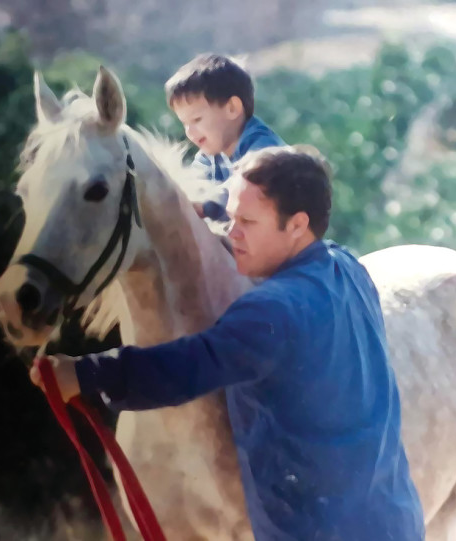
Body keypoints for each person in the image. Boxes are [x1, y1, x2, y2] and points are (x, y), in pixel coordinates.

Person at [31, 146, 425, 540]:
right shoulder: (347, 267)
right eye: (231, 216)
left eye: (247, 222)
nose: (231, 232)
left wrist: (84, 374)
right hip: (393, 522)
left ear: (297, 225)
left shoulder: (273, 310)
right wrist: (215, 210)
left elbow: (190, 365)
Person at [165, 52, 285, 222]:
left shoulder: (263, 147)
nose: (190, 132)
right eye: (184, 123)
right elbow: (193, 187)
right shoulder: (208, 157)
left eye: (196, 119)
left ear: (232, 108)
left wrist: (206, 205)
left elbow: (249, 185)